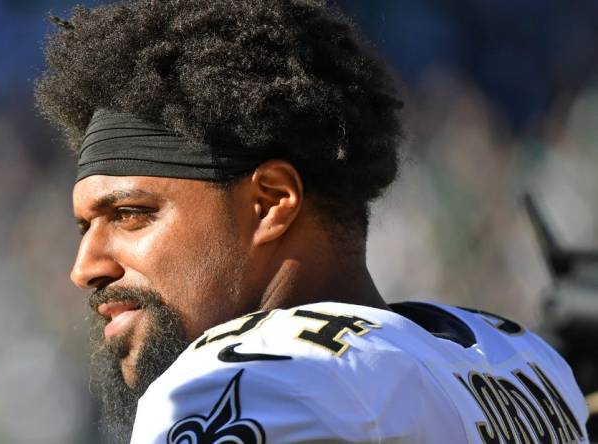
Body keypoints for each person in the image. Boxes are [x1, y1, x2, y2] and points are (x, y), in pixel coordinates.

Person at [35, 0, 590, 442]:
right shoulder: (524, 359)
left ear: (272, 201)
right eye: (85, 227)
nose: (85, 267)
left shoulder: (251, 379)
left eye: (130, 214)